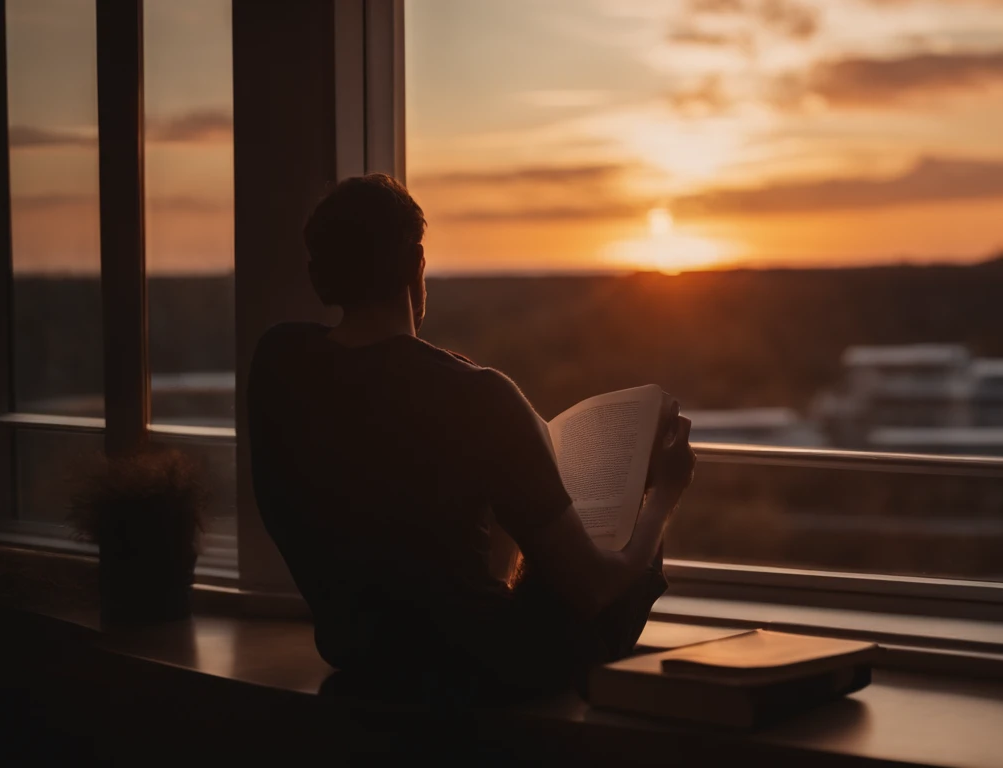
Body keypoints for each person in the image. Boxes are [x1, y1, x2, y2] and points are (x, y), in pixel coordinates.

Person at [246, 173, 695, 700]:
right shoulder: (476, 396)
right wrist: (662, 495)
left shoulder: (280, 363)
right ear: (416, 264)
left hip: (356, 651)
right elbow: (595, 589)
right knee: (615, 565)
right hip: (487, 670)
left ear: (319, 278)